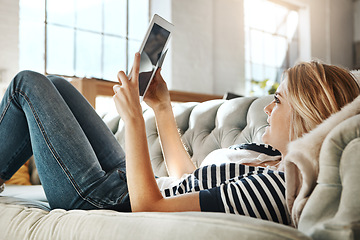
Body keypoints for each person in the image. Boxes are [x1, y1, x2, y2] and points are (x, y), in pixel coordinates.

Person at [0, 53, 359, 226]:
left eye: (277, 102)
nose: (267, 111)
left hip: (110, 201)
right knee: (59, 84)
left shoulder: (278, 186)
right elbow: (189, 178)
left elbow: (149, 209)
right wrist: (162, 109)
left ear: (305, 116)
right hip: (134, 183)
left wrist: (134, 122)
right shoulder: (264, 153)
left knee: (27, 83)